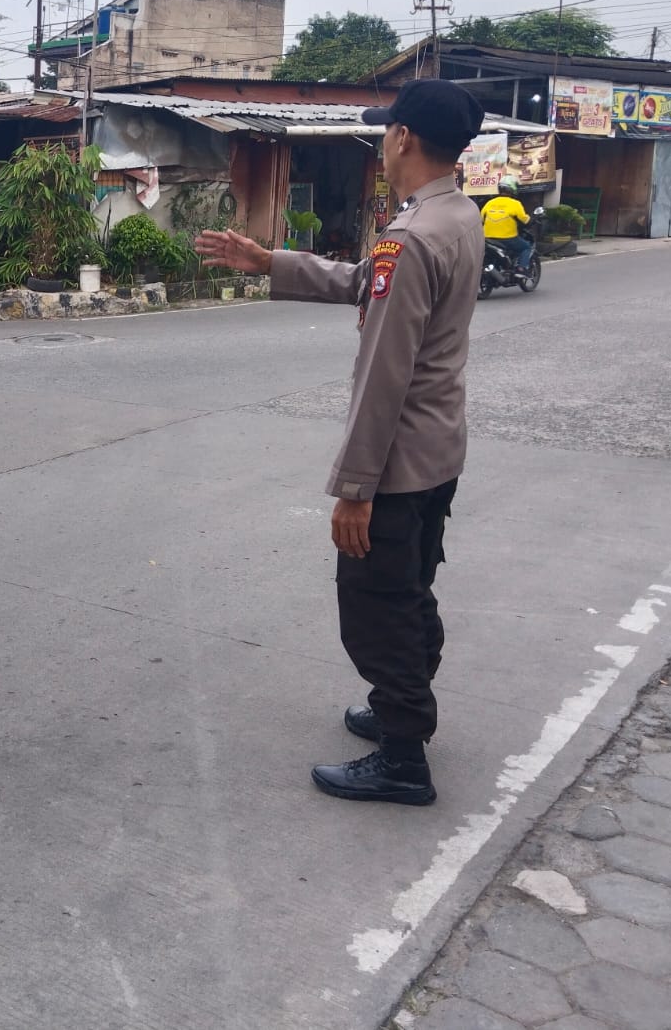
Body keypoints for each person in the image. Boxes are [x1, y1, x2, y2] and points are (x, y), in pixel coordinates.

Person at [194, 78, 487, 807]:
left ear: (404, 138)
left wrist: (355, 489)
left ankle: (403, 757)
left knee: (376, 606)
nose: (383, 141)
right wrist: (270, 261)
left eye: (387, 130)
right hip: (438, 452)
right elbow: (365, 282)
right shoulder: (455, 214)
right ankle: (400, 707)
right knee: (409, 587)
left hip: (399, 461)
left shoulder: (410, 238)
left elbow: (385, 376)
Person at [481, 175, 533, 274]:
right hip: (507, 239)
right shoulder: (515, 204)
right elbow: (525, 220)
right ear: (513, 189)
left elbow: (481, 219)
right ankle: (521, 269)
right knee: (526, 247)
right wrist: (532, 220)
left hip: (487, 238)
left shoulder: (489, 203)